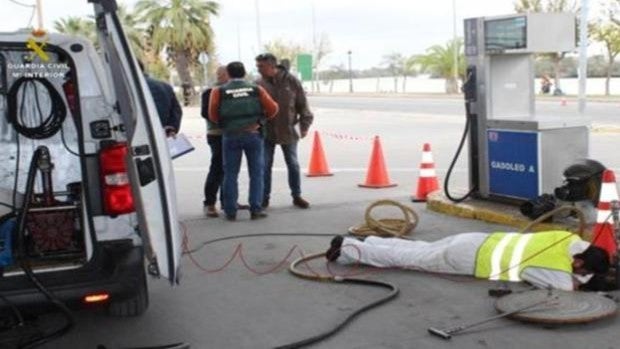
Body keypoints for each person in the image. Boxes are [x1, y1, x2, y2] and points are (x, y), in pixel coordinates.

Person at [325, 231, 610, 291]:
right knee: (409, 258)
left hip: (475, 239)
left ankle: (370, 242)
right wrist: (592, 284)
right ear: (578, 264)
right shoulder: (558, 272)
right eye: (582, 270)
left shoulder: (567, 238)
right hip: (469, 259)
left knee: (420, 247)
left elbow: (583, 248)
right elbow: (565, 287)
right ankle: (348, 250)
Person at [209, 62, 279, 221]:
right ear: (245, 72)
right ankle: (255, 209)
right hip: (253, 135)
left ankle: (230, 211)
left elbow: (212, 115)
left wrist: (227, 124)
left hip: (230, 135)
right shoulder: (256, 89)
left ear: (228, 73)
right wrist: (260, 122)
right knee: (256, 174)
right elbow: (274, 108)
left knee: (230, 174)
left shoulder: (218, 91)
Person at [255, 53, 314, 209]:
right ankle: (264, 198)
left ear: (272, 66)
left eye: (261, 66)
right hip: (266, 133)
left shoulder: (291, 81)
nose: (258, 69)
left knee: (293, 164)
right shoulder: (258, 83)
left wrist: (304, 127)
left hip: (289, 131)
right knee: (265, 166)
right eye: (257, 66)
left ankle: (297, 196)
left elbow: (303, 106)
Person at [138, 60, 183, 136]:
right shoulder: (165, 86)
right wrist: (172, 128)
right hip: (163, 136)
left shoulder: (130, 87)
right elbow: (177, 111)